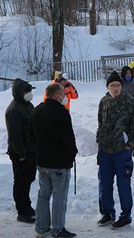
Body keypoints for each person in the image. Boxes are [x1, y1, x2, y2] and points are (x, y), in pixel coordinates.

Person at [31, 83, 78, 238]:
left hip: (42, 161)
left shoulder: (36, 110)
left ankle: (41, 228)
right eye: (63, 94)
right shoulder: (61, 112)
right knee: (59, 197)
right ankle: (57, 229)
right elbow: (67, 138)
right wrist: (72, 153)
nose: (65, 96)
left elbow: (31, 137)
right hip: (59, 163)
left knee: (43, 195)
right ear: (56, 95)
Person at [96, 71, 134, 229]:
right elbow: (100, 124)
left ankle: (125, 216)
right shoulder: (104, 101)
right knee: (104, 183)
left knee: (123, 184)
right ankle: (108, 213)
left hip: (122, 151)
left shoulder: (129, 101)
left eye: (118, 85)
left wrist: (131, 144)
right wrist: (99, 142)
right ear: (108, 87)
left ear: (121, 86)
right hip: (105, 151)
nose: (115, 88)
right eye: (112, 85)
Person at [5, 79, 36, 223]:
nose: (29, 94)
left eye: (30, 90)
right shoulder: (14, 110)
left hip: (30, 151)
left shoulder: (27, 105)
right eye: (26, 91)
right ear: (19, 93)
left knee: (28, 180)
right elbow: (15, 136)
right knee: (20, 182)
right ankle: (21, 211)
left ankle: (27, 206)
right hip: (20, 154)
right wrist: (22, 154)